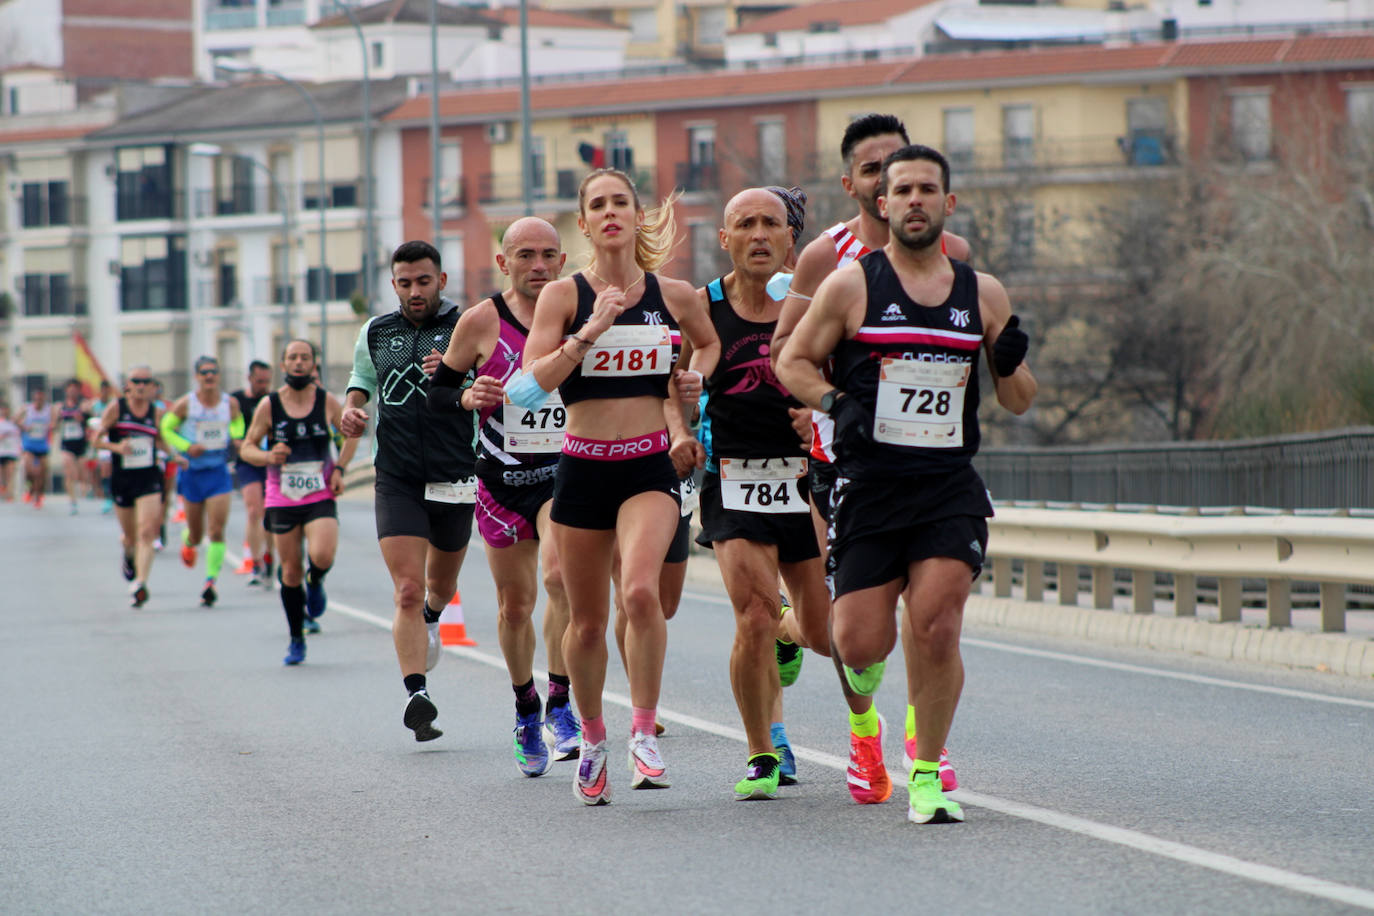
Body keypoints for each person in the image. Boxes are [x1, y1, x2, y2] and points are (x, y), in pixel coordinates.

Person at [777, 144, 1036, 823]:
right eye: (903, 190)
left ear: (948, 205)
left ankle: (926, 772)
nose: (915, 200)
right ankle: (871, 710)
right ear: (881, 204)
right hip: (871, 484)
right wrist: (835, 403)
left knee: (937, 623)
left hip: (948, 483)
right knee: (860, 642)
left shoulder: (982, 291)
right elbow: (793, 363)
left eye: (929, 190)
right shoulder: (852, 284)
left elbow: (1018, 400)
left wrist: (1009, 364)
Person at [772, 112, 971, 801]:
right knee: (847, 629)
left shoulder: (955, 253)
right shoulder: (827, 258)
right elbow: (784, 354)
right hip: (842, 459)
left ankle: (924, 741)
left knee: (930, 611)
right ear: (859, 185)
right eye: (876, 170)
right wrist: (828, 402)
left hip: (930, 464)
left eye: (907, 169)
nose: (896, 184)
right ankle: (862, 728)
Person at [517, 168, 719, 805]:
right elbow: (531, 383)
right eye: (597, 205)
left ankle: (642, 732)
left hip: (648, 468)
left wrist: (695, 382)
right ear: (583, 223)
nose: (610, 213)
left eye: (620, 203)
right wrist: (590, 330)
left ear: (639, 217)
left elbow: (710, 345)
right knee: (584, 622)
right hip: (581, 467)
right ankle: (595, 739)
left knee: (640, 593)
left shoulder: (675, 294)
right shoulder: (563, 298)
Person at [683, 186, 835, 800]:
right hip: (733, 479)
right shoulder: (701, 306)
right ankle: (761, 753)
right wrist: (680, 427)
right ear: (725, 240)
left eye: (770, 223)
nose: (759, 234)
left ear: (790, 238)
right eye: (744, 224)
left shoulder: (821, 303)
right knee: (752, 614)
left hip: (804, 479)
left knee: (826, 636)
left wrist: (824, 418)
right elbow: (673, 384)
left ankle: (786, 632)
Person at [429, 217, 581, 776]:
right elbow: (437, 396)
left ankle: (561, 706)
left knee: (561, 578)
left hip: (564, 471)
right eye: (525, 255)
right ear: (504, 263)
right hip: (499, 481)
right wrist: (469, 396)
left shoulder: (578, 312)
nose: (537, 265)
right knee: (515, 606)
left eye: (547, 255)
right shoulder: (481, 321)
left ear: (563, 261)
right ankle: (525, 707)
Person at [341, 241, 477, 742]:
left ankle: (433, 618)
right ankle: (417, 696)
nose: (414, 291)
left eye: (424, 281)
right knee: (406, 588)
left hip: (455, 473)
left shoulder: (468, 326)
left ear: (441, 281)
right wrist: (352, 409)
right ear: (393, 284)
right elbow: (361, 379)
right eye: (405, 282)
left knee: (438, 590)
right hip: (396, 475)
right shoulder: (376, 331)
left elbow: (492, 381)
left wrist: (457, 372)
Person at [240, 340, 353, 664]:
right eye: (293, 358)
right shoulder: (270, 405)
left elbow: (349, 435)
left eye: (305, 357)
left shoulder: (326, 401)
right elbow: (247, 447)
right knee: (289, 572)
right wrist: (266, 455)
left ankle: (315, 580)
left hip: (319, 493)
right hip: (282, 497)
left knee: (322, 554)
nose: (299, 362)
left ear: (314, 365)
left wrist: (340, 468)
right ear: (284, 365)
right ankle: (296, 638)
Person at [93, 366, 185, 607]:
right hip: (123, 478)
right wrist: (116, 448)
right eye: (137, 381)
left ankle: (140, 583)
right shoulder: (117, 409)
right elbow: (96, 440)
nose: (142, 386)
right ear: (128, 386)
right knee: (130, 536)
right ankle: (128, 554)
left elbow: (161, 442)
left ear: (152, 386)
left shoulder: (156, 412)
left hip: (149, 477)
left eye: (147, 381)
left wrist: (176, 456)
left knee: (147, 532)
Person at [160, 356, 244, 607]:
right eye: (204, 373)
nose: (209, 377)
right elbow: (166, 428)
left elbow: (238, 423)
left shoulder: (230, 404)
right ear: (197, 376)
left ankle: (210, 582)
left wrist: (237, 437)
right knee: (197, 535)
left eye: (213, 372)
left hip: (217, 472)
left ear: (219, 376)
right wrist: (186, 447)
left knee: (217, 529)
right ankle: (189, 541)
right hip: (192, 474)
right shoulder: (187, 404)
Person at [230, 360, 275, 586]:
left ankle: (269, 555)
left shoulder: (273, 401)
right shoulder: (237, 400)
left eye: (267, 381)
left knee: (269, 512)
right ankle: (255, 561)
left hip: (270, 462)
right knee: (253, 509)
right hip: (248, 461)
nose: (263, 385)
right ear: (249, 378)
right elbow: (233, 432)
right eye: (259, 381)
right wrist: (245, 446)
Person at [56, 380, 91, 514]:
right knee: (68, 469)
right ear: (66, 391)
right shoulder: (60, 407)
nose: (73, 392)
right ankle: (72, 501)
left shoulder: (84, 406)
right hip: (67, 443)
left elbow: (91, 423)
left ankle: (84, 490)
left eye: (75, 389)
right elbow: (54, 425)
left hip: (81, 444)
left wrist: (82, 419)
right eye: (70, 389)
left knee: (81, 472)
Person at [18, 386, 54, 508]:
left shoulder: (49, 410)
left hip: (42, 446)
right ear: (33, 399)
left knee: (41, 472)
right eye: (36, 399)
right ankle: (30, 489)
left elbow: (55, 423)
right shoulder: (27, 408)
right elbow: (15, 420)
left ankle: (38, 496)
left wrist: (51, 426)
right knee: (29, 471)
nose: (38, 401)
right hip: (29, 445)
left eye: (41, 399)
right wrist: (24, 427)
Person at [0, 403, 19, 500]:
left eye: (5, 409)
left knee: (10, 474)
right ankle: (3, 488)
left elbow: (18, 436)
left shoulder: (13, 423)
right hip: (1, 451)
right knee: (2, 474)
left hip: (11, 451)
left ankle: (9, 494)